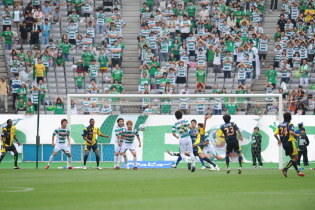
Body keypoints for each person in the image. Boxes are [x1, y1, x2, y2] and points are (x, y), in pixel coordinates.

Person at [274, 112, 305, 177]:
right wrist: (296, 134)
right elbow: (290, 131)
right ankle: (285, 169)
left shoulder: (280, 125)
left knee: (292, 158)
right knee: (295, 158)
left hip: (284, 144)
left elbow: (275, 134)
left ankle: (298, 172)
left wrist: (279, 140)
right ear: (290, 117)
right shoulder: (290, 124)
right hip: (290, 142)